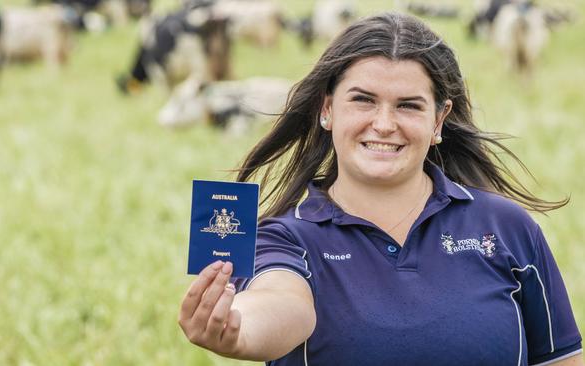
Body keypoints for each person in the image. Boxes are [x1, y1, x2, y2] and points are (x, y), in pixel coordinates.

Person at [178, 12, 583, 365]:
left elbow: (561, 359)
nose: (385, 124)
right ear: (327, 109)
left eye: (408, 105)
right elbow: (283, 303)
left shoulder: (507, 226)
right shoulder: (284, 236)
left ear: (439, 120)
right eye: (363, 100)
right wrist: (240, 327)